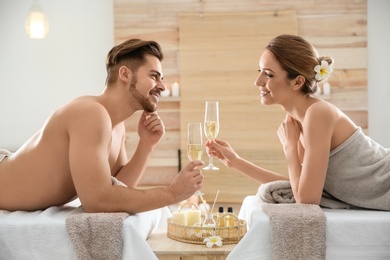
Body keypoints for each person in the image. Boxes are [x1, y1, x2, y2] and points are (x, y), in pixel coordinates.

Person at [0, 39, 204, 213]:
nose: (161, 86)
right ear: (125, 75)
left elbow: (119, 188)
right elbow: (97, 200)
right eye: (154, 76)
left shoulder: (117, 126)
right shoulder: (90, 113)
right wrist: (172, 193)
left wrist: (146, 145)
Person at [206, 34, 390, 211]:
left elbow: (307, 199)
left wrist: (290, 147)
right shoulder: (297, 121)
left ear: (297, 82)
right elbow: (300, 186)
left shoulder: (318, 113)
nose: (258, 82)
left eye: (268, 75)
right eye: (259, 71)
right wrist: (236, 162)